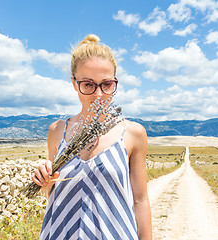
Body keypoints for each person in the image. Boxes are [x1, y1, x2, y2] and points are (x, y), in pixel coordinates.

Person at [31, 34, 152, 240]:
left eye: (106, 84)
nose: (98, 95)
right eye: (88, 84)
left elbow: (140, 201)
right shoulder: (57, 131)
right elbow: (51, 193)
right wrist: (44, 181)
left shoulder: (133, 133)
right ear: (74, 83)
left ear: (115, 82)